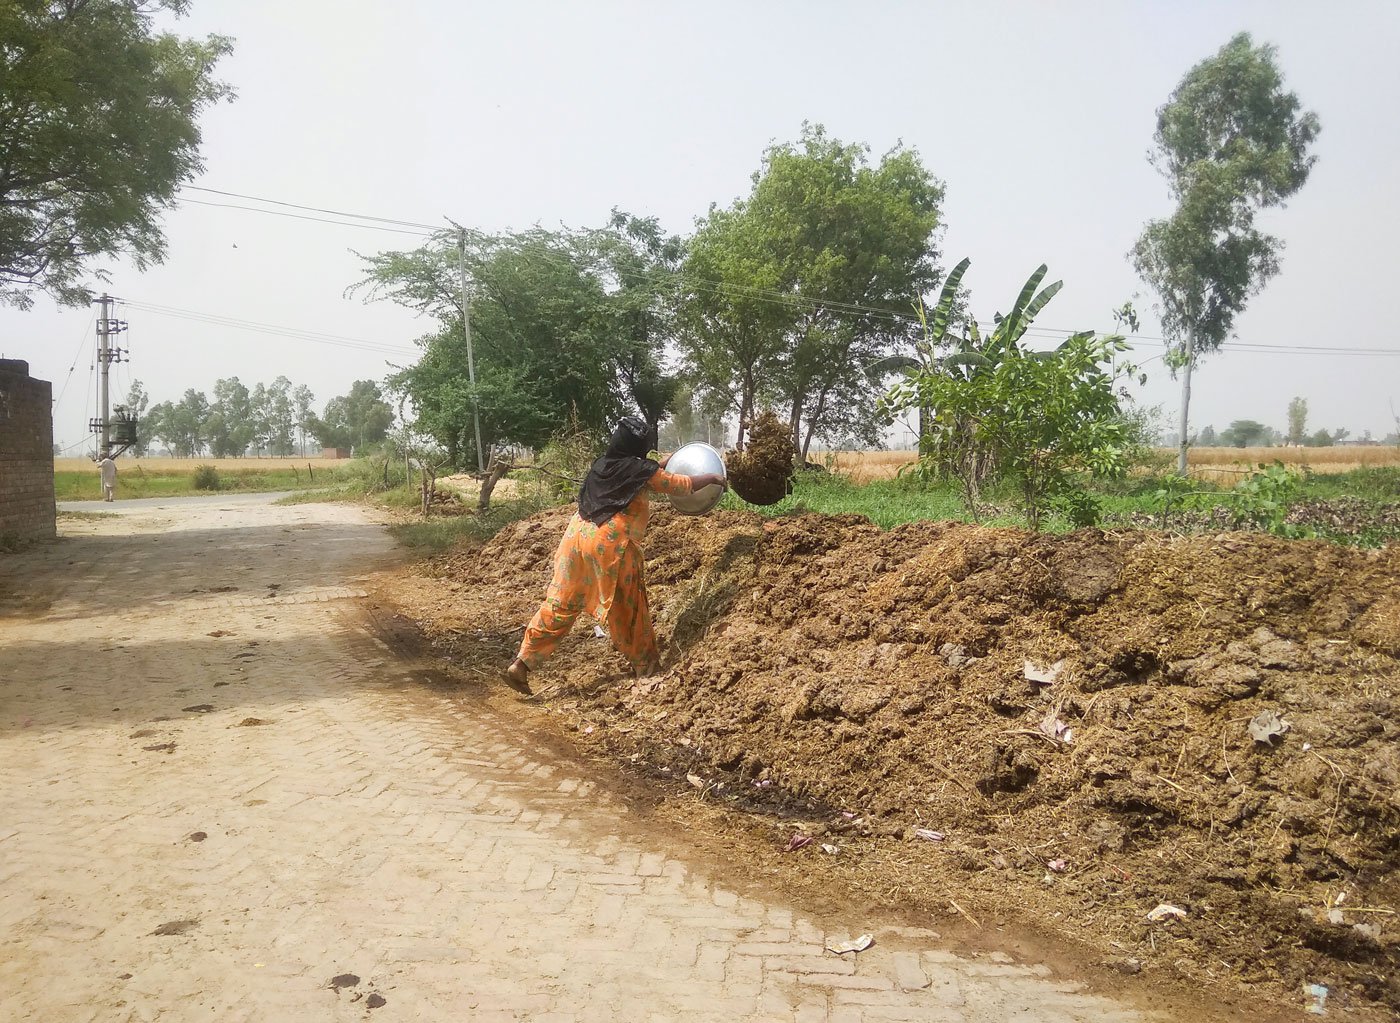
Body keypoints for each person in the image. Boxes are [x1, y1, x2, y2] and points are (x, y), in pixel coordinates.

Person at [505, 417, 725, 695]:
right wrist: (715, 478)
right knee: (628, 607)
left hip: (575, 539)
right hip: (610, 546)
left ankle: (521, 663)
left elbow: (639, 473)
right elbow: (680, 485)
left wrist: (664, 462)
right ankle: (646, 668)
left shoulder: (603, 465)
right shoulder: (638, 470)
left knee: (560, 604)